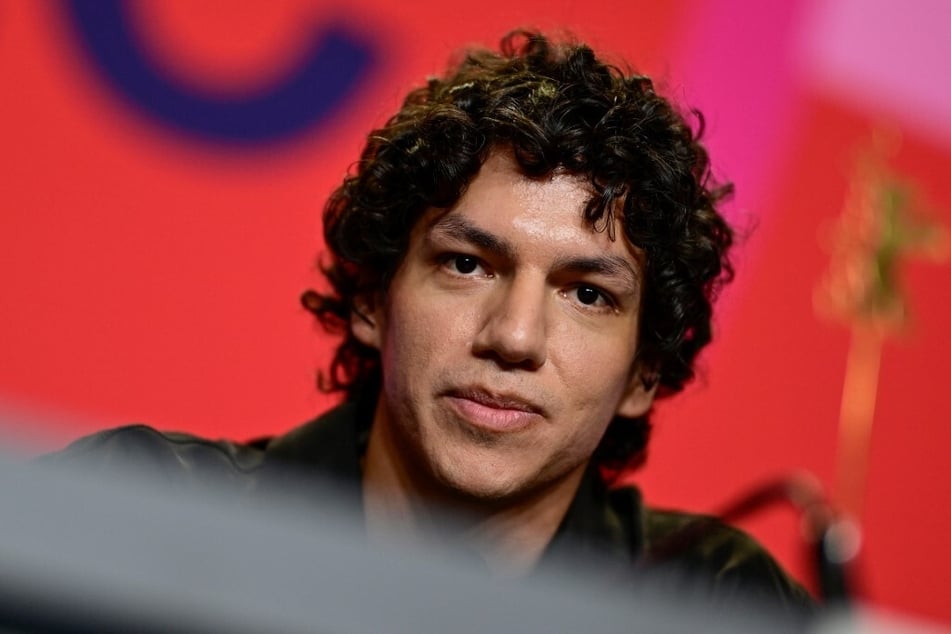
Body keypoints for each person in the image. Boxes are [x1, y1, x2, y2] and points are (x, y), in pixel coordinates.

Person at [44, 31, 813, 612]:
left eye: (586, 294)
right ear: (373, 297)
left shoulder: (713, 601)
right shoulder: (143, 510)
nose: (513, 337)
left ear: (644, 372)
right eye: (467, 264)